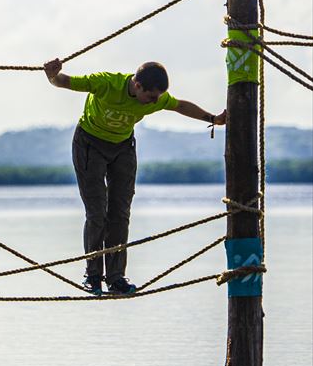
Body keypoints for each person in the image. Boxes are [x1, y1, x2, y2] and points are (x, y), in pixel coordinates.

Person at [43, 59, 227, 295]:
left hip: (122, 147)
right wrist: (52, 75)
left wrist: (213, 119)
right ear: (137, 85)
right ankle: (93, 275)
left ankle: (116, 277)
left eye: (158, 97)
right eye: (151, 97)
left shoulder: (156, 98)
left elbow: (180, 106)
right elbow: (64, 82)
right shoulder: (106, 83)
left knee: (120, 213)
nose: (155, 101)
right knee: (97, 212)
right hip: (90, 144)